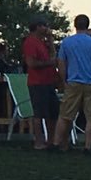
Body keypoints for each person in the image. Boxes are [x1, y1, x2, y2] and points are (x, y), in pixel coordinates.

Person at [52, 14, 91, 153]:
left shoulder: (67, 42)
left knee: (65, 115)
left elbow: (61, 62)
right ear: (88, 25)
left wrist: (64, 80)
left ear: (75, 25)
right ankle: (87, 146)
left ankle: (57, 143)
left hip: (73, 81)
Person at [21, 18, 60, 150]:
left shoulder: (42, 42)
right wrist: (49, 63)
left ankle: (51, 140)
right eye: (45, 26)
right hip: (37, 82)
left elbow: (53, 55)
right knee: (39, 113)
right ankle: (38, 141)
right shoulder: (30, 42)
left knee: (53, 112)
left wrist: (50, 41)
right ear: (38, 27)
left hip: (48, 82)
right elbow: (31, 63)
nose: (47, 29)